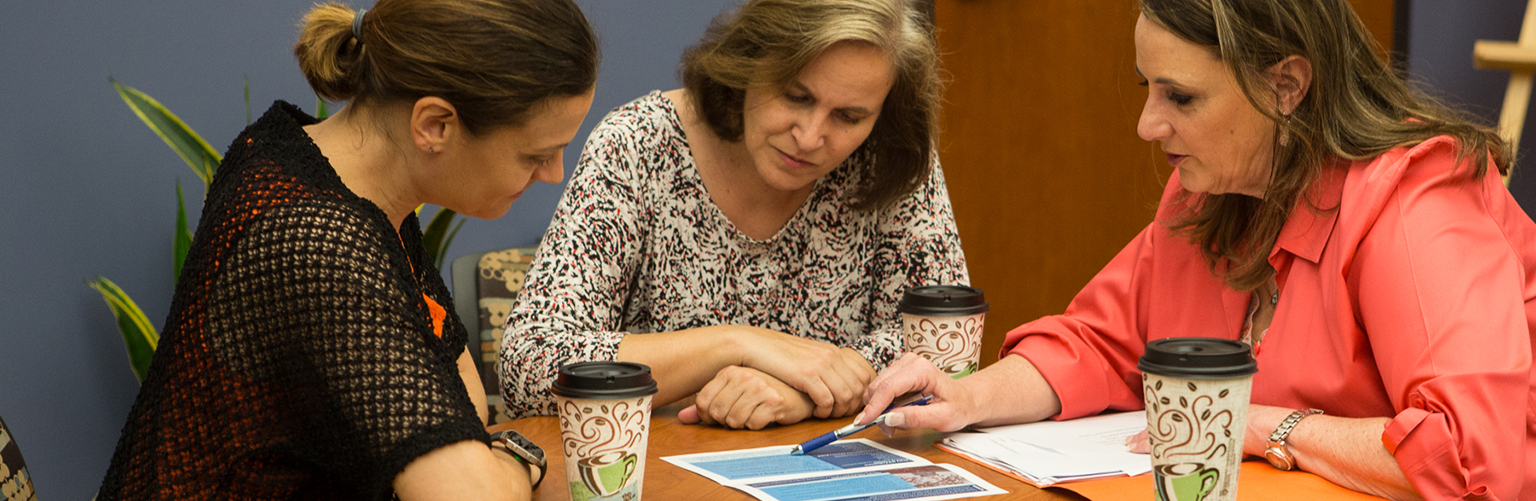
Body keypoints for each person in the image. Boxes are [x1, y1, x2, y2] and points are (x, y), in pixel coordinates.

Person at [861, 0, 1535, 499]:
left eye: (1181, 96)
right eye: (1146, 87)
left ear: (1287, 86)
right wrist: (965, 396)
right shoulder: (1208, 192)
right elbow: (1098, 342)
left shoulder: (1418, 198)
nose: (1147, 124)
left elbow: (1471, 461)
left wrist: (1268, 426)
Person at [97, 1, 596, 499]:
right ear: (435, 125)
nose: (555, 174)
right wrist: (515, 457)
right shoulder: (316, 237)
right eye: (536, 154)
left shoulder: (333, 175)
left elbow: (461, 403)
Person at [500, 0, 967, 430]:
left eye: (848, 117)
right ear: (749, 62)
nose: (809, 136)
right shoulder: (638, 145)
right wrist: (737, 345)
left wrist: (806, 394)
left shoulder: (893, 157)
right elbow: (530, 365)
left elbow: (948, 356)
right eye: (796, 97)